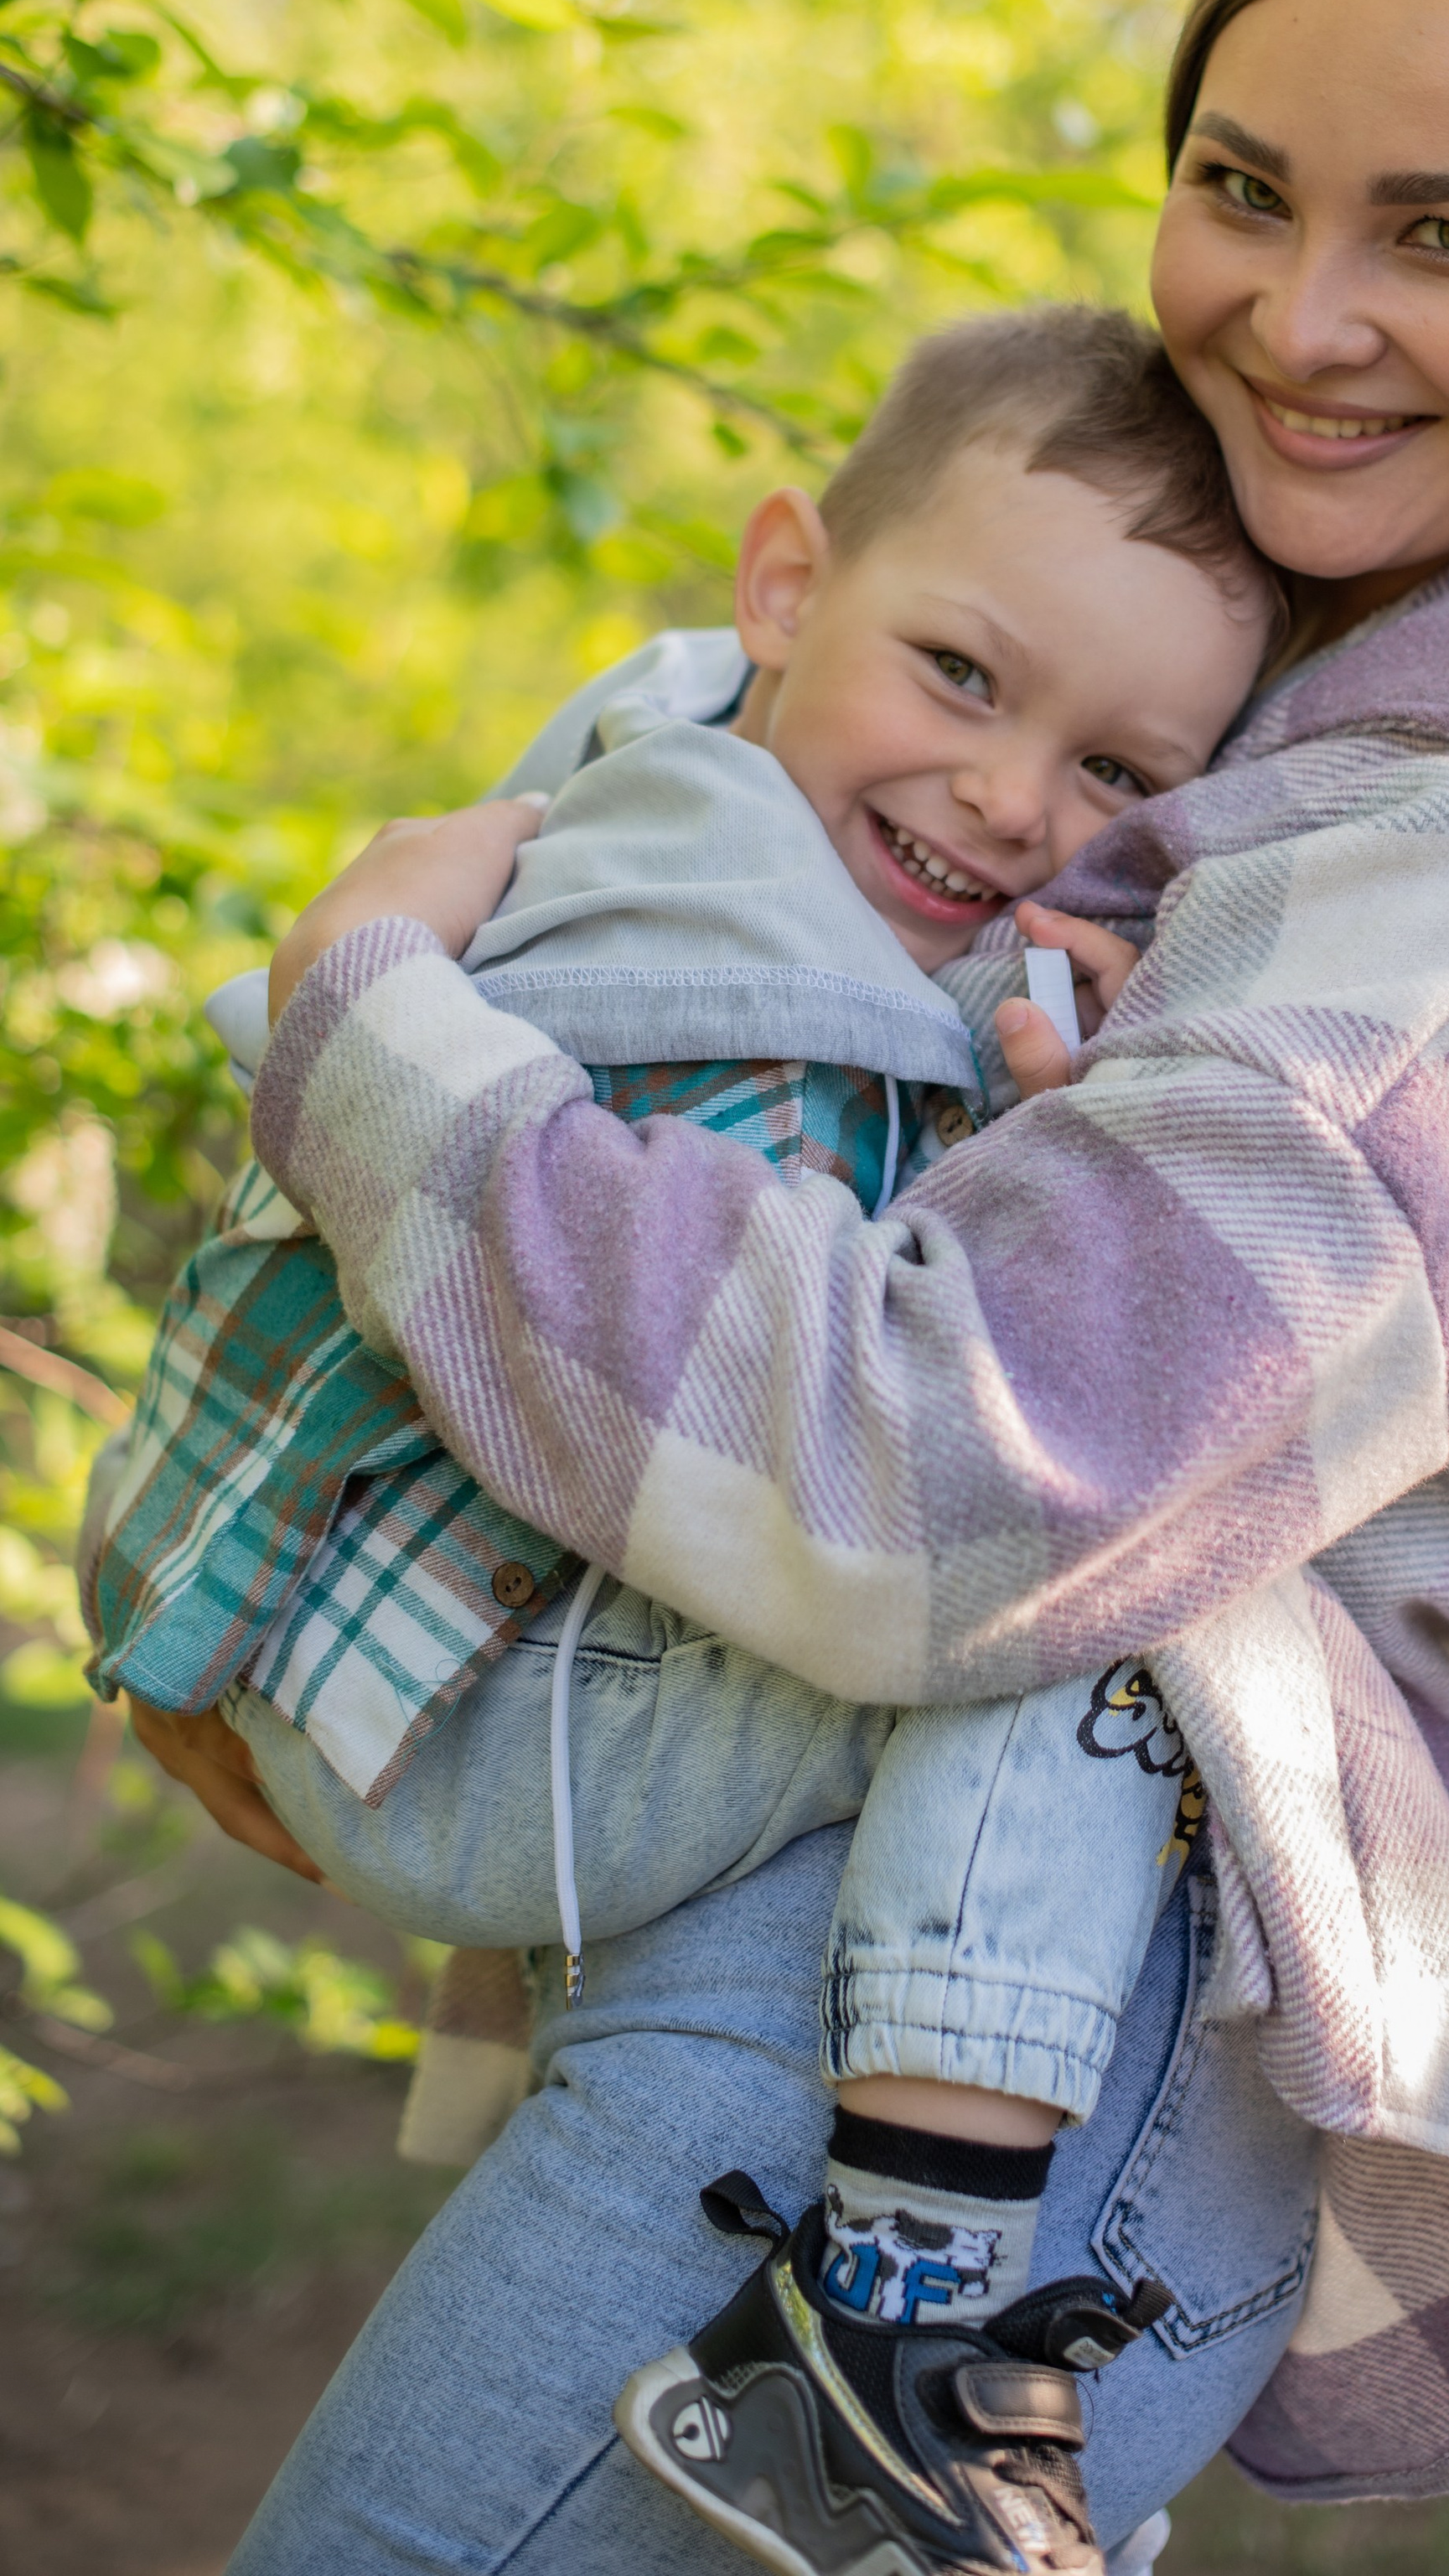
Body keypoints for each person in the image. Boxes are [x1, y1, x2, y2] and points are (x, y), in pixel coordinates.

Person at [132, 0, 1449, 2576]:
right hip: (861, 1984)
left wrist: (374, 1051)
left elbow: (960, 1483)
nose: (1296, 319)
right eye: (1242, 186)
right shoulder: (1260, 674)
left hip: (988, 2113)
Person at [84, 308, 1287, 2574]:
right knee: (1092, 1554)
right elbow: (808, 1415)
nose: (1019, 800)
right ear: (781, 583)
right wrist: (1058, 1153)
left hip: (418, 1679)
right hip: (470, 1720)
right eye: (961, 678)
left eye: (1121, 776)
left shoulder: (675, 763)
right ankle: (913, 2312)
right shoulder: (701, 925)